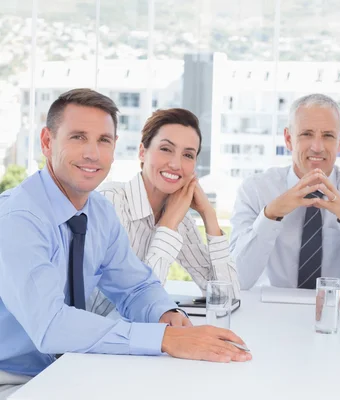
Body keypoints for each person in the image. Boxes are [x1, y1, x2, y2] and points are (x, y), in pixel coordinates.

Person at [0, 89, 250, 400]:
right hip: (14, 379)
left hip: (73, 368)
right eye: (78, 137)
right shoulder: (18, 218)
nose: (93, 153)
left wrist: (165, 314)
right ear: (47, 142)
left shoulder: (98, 212)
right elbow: (51, 325)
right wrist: (164, 339)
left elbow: (135, 286)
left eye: (104, 140)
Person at [87, 108, 240, 317]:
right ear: (142, 152)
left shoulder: (179, 216)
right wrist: (167, 225)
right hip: (85, 342)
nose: (176, 164)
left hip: (128, 342)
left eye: (187, 155)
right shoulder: (111, 201)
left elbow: (227, 297)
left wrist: (209, 215)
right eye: (166, 149)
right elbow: (138, 305)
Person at [230, 93, 340, 290]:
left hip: (337, 313)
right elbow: (237, 280)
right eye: (306, 134)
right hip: (268, 311)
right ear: (288, 139)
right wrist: (270, 215)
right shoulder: (255, 190)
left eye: (328, 136)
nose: (317, 147)